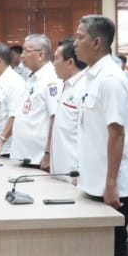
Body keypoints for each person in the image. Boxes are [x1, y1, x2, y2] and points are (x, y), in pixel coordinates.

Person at [72, 15, 128, 256]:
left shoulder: (111, 79)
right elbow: (89, 132)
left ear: (97, 42)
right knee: (95, 254)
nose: (75, 43)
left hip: (111, 188)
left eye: (80, 38)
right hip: (93, 181)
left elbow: (116, 133)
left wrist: (111, 185)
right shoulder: (90, 76)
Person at [9, 34, 58, 166]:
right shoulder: (32, 77)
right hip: (24, 156)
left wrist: (48, 153)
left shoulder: (52, 79)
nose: (22, 55)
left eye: (26, 51)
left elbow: (55, 118)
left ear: (41, 55)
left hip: (39, 159)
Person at [42, 38, 87, 176]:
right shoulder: (66, 85)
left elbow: (87, 135)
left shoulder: (84, 88)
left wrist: (80, 170)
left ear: (70, 62)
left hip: (74, 171)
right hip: (61, 168)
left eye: (56, 59)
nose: (53, 64)